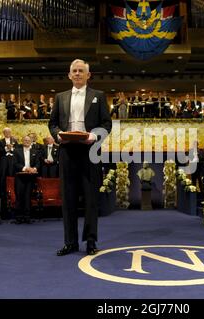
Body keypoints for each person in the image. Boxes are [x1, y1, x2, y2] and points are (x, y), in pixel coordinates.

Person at [48, 59, 112, 256]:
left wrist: (93, 136)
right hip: (67, 152)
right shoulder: (60, 97)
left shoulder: (98, 96)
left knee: (91, 199)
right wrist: (58, 134)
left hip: (90, 152)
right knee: (68, 200)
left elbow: (107, 124)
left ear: (88, 75)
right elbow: (53, 124)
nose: (77, 74)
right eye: (74, 71)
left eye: (81, 71)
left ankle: (91, 241)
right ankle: (70, 243)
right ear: (69, 75)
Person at [13, 135, 41, 224]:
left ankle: (27, 216)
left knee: (28, 197)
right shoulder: (17, 151)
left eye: (28, 140)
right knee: (19, 196)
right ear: (22, 141)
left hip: (30, 177)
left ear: (31, 141)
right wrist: (26, 168)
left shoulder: (35, 151)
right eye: (25, 140)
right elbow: (15, 164)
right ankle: (19, 217)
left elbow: (38, 163)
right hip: (20, 177)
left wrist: (34, 169)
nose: (27, 141)